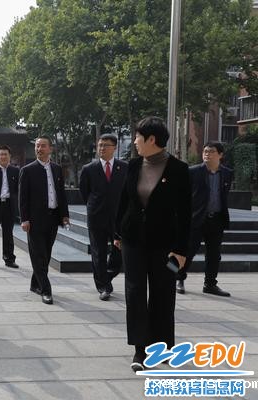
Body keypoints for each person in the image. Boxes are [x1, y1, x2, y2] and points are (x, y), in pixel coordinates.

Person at [114, 116, 191, 372]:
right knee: (135, 292)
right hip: (133, 241)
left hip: (166, 245)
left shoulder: (179, 170)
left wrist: (182, 251)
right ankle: (140, 349)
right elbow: (124, 201)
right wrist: (117, 233)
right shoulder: (133, 165)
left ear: (151, 139)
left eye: (137, 137)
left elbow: (186, 214)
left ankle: (164, 347)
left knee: (164, 293)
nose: (135, 141)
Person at [176, 142, 233, 297]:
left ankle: (210, 284)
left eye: (211, 151)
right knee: (185, 251)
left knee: (214, 255)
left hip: (217, 220)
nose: (207, 154)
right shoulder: (192, 171)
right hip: (195, 219)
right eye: (205, 151)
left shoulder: (227, 173)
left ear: (220, 155)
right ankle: (176, 278)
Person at [19, 135, 70, 305]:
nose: (39, 149)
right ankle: (46, 290)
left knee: (46, 254)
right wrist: (25, 219)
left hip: (53, 218)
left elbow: (61, 193)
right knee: (38, 255)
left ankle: (35, 284)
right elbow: (23, 198)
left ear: (50, 149)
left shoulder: (57, 169)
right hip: (35, 220)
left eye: (43, 146)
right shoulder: (27, 170)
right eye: (37, 146)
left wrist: (65, 215)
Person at [79, 134, 128, 301]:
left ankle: (107, 276)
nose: (102, 148)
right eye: (100, 145)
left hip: (119, 218)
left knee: (119, 252)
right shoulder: (89, 169)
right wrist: (94, 206)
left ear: (114, 147)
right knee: (98, 253)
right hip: (96, 217)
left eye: (106, 145)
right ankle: (103, 286)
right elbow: (85, 193)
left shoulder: (125, 167)